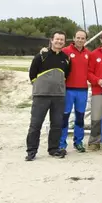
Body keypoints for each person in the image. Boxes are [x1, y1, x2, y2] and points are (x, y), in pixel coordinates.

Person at [26, 31, 71, 161]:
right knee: (35, 124)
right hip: (41, 96)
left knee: (56, 124)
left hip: (58, 96)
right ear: (51, 40)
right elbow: (32, 74)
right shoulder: (41, 56)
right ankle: (31, 151)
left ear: (64, 42)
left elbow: (66, 75)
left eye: (62, 40)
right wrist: (41, 87)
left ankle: (53, 149)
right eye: (57, 39)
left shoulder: (66, 58)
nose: (59, 42)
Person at [59, 29, 90, 154]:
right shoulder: (66, 51)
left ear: (85, 40)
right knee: (64, 117)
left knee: (80, 118)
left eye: (83, 38)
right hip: (68, 90)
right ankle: (61, 144)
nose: (80, 40)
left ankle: (78, 142)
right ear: (74, 38)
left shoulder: (89, 53)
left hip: (82, 90)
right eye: (78, 37)